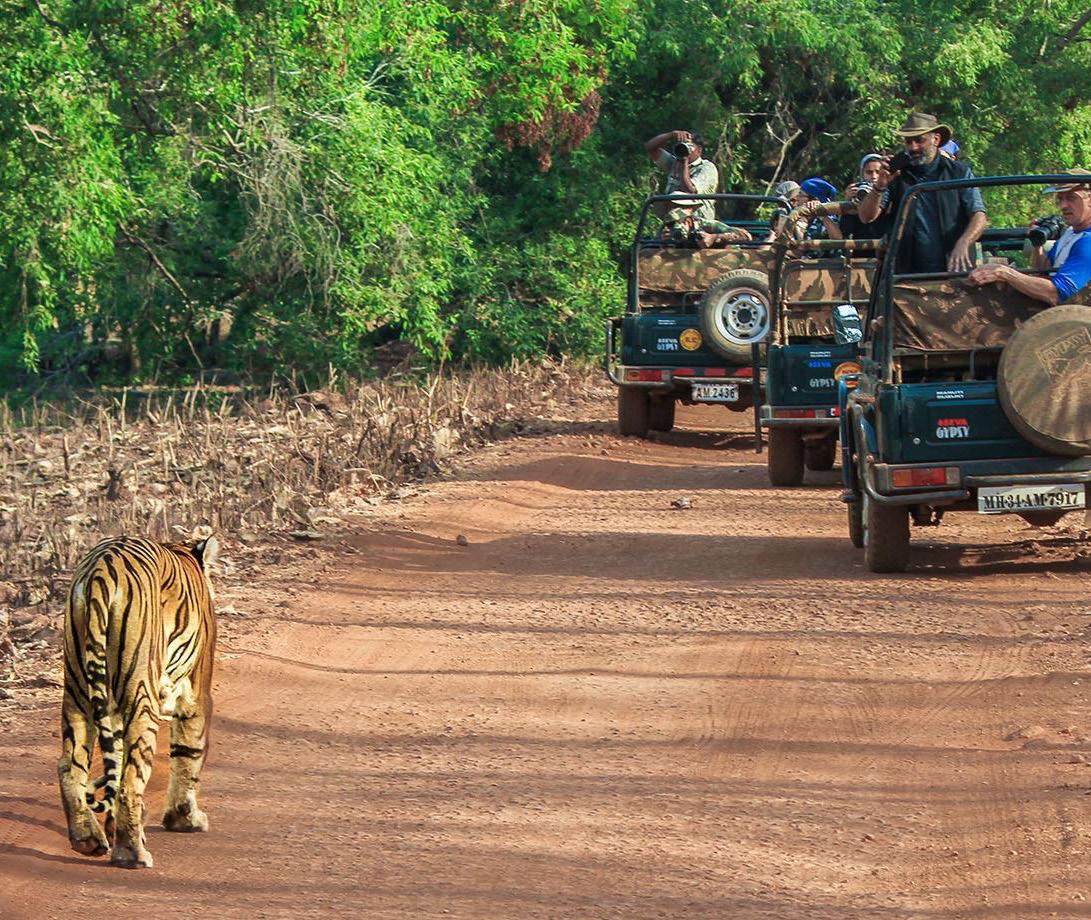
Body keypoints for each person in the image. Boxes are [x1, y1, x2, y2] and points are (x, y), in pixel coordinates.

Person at [857, 113, 987, 273]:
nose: (913, 147)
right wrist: (880, 186)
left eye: (919, 140)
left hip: (953, 269)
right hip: (904, 273)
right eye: (908, 142)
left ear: (936, 140)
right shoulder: (896, 173)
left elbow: (979, 216)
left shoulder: (959, 172)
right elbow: (866, 217)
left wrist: (964, 242)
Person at [966, 169, 1091, 305]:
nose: (1063, 206)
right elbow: (1042, 270)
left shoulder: (1087, 241)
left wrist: (1003, 273)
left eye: (1071, 198)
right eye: (1060, 199)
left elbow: (1056, 294)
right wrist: (1037, 244)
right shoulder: (1071, 233)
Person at [644, 130, 719, 222]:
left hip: (698, 222)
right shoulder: (675, 163)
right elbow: (650, 148)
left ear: (699, 150)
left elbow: (689, 189)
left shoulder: (707, 168)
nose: (684, 148)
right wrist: (671, 135)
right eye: (682, 145)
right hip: (672, 219)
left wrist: (684, 161)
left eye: (688, 146)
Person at [659, 200, 752, 248]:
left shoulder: (707, 225)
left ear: (688, 221)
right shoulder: (667, 230)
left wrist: (714, 238)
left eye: (678, 223)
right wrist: (663, 244)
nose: (673, 227)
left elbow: (746, 236)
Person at [841, 154, 891, 240]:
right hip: (860, 244)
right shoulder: (857, 192)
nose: (874, 176)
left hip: (885, 244)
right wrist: (848, 201)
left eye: (878, 172)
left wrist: (878, 191)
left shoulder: (891, 190)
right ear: (862, 174)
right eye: (869, 172)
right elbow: (845, 230)